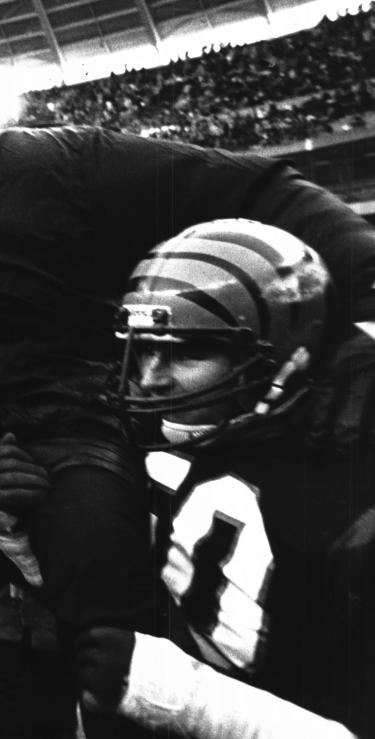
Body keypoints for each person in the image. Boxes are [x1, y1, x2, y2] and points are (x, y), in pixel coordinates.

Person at [0, 11, 375, 735]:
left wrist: (362, 313)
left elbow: (264, 191)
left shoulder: (60, 163)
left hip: (60, 443)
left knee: (114, 647)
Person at [65, 219, 373, 738]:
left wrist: (190, 701)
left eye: (185, 352)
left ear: (282, 359)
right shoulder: (184, 442)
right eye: (143, 347)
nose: (148, 378)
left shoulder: (352, 509)